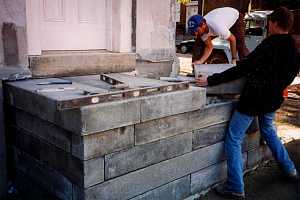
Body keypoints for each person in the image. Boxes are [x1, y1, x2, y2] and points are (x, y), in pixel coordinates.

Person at [196, 7, 299, 199]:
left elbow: (242, 69)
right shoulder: (292, 47)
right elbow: (292, 73)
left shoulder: (269, 45)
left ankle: (235, 186)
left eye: (270, 22)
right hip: (273, 99)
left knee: (234, 138)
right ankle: (290, 169)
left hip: (254, 100)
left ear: (274, 23)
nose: (269, 25)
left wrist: (210, 80)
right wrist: (277, 86)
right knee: (269, 131)